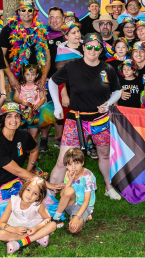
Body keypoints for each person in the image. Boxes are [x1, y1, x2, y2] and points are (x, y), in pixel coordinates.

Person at [49, 33, 123, 200]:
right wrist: (57, 105)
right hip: (75, 119)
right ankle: (50, 194)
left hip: (101, 120)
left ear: (101, 50)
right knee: (63, 161)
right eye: (89, 46)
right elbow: (52, 82)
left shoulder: (108, 69)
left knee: (104, 154)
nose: (92, 50)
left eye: (97, 47)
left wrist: (108, 103)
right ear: (83, 48)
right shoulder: (72, 67)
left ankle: (109, 187)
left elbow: (117, 90)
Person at [0, 103, 60, 226]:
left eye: (17, 116)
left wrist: (28, 171)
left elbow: (34, 151)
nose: (14, 120)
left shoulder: (24, 135)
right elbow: (18, 171)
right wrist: (47, 183)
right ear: (3, 120)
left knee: (43, 200)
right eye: (9, 116)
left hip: (14, 180)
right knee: (14, 218)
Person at [0, 0, 50, 93]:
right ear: (18, 12)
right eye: (23, 10)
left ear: (34, 12)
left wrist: (43, 78)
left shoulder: (41, 31)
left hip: (37, 82)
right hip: (17, 81)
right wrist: (11, 77)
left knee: (38, 106)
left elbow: (48, 57)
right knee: (17, 107)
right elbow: (0, 56)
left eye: (29, 10)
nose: (26, 13)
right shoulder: (8, 29)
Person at [0, 175, 57, 254]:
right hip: (17, 228)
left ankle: (18, 243)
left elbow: (47, 218)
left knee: (53, 225)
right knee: (1, 235)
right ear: (23, 188)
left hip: (34, 227)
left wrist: (36, 228)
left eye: (35, 193)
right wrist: (15, 230)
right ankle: (37, 237)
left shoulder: (38, 205)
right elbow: (1, 223)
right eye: (28, 190)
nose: (30, 195)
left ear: (39, 197)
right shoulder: (13, 201)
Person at [52, 148, 96, 234]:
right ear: (66, 166)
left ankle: (85, 215)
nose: (74, 167)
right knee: (69, 190)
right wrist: (70, 181)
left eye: (77, 163)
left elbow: (86, 200)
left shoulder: (88, 176)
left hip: (84, 206)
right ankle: (56, 218)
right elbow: (62, 195)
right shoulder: (68, 173)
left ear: (82, 163)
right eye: (70, 164)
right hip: (71, 204)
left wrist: (77, 217)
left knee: (73, 229)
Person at [14, 64, 48, 140]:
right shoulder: (20, 86)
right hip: (23, 114)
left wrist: (38, 104)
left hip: (35, 114)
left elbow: (43, 98)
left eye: (32, 75)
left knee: (33, 136)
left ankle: (33, 151)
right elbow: (15, 98)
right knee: (23, 135)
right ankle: (25, 151)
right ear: (23, 75)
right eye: (27, 74)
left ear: (37, 75)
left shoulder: (38, 86)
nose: (30, 77)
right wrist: (21, 101)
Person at [46, 7, 66, 79]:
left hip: (66, 79)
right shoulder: (41, 36)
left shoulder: (70, 35)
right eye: (52, 17)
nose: (54, 20)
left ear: (63, 18)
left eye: (57, 17)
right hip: (46, 79)